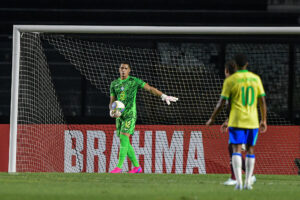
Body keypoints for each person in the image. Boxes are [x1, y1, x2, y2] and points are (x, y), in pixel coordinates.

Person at [206, 54, 267, 190]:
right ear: (246, 64)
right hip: (252, 120)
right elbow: (262, 101)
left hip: (237, 120)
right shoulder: (255, 79)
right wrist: (263, 120)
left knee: (235, 149)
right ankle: (248, 182)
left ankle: (238, 181)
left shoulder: (231, 81)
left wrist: (212, 118)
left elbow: (223, 103)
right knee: (250, 149)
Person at [109, 62, 178, 173]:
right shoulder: (114, 84)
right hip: (119, 116)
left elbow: (150, 88)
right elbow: (112, 101)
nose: (123, 70)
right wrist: (111, 111)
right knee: (125, 141)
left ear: (129, 70)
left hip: (130, 115)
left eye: (125, 68)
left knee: (123, 138)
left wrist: (163, 96)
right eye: (121, 68)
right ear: (119, 69)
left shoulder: (134, 81)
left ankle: (119, 167)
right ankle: (137, 167)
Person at [221, 60, 256, 186]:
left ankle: (236, 177)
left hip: (241, 121)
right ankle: (246, 175)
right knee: (233, 148)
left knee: (233, 148)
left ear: (226, 71)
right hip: (244, 120)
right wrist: (227, 120)